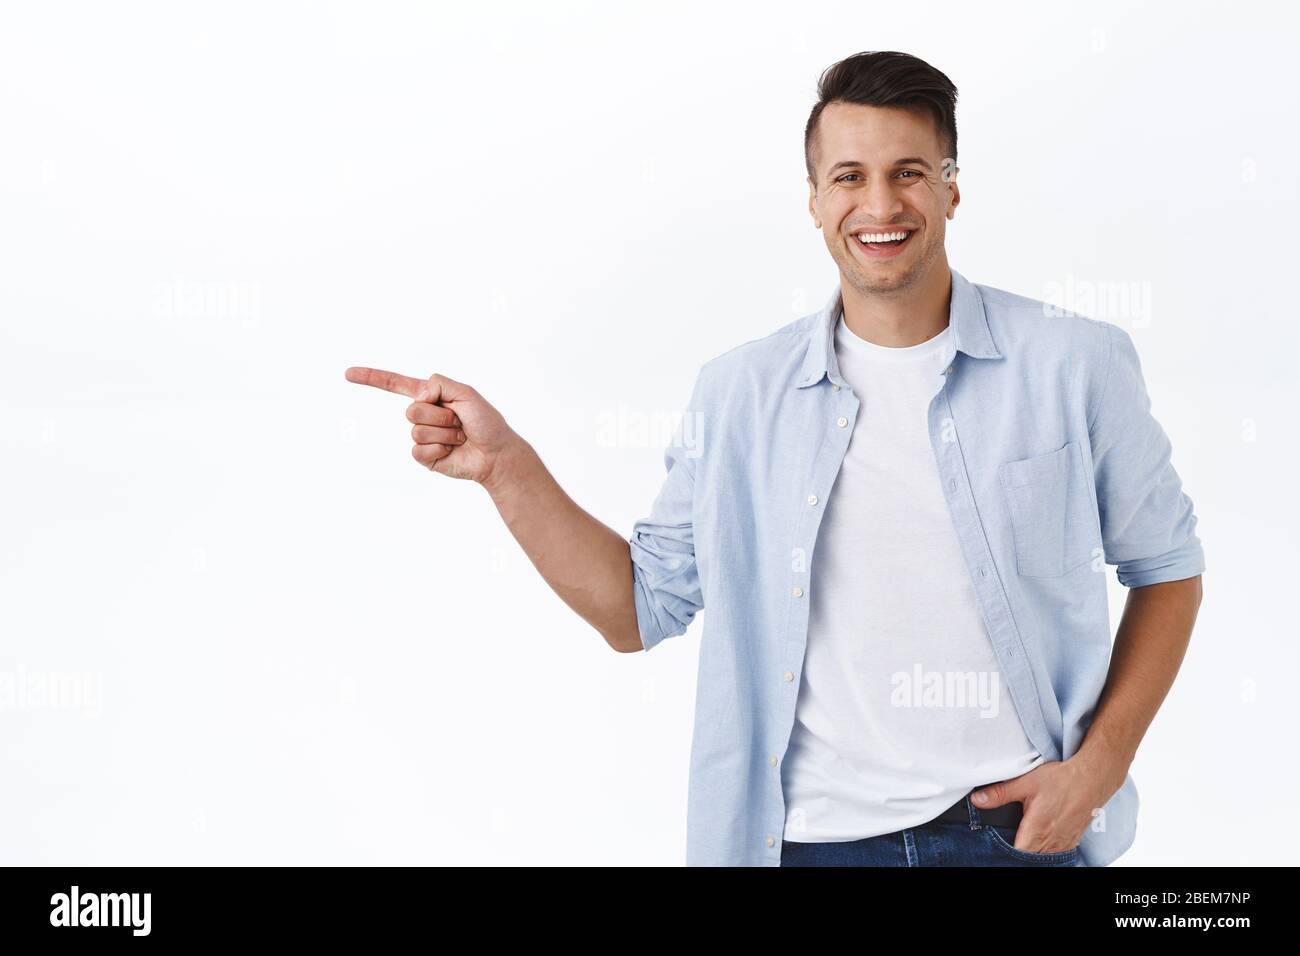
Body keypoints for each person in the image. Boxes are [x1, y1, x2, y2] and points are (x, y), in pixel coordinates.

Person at [345, 50, 1204, 867]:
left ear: (951, 190)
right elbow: (636, 611)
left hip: (1016, 833)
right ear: (813, 198)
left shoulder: (1074, 364)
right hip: (804, 843)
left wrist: (1095, 771)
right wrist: (507, 467)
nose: (881, 205)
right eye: (849, 177)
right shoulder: (739, 396)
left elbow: (1167, 568)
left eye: (909, 172)